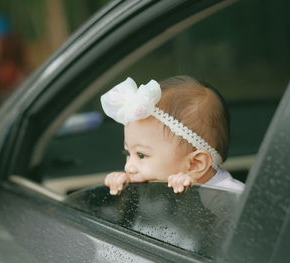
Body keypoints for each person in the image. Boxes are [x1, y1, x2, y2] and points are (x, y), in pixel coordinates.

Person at [100, 75, 244, 195]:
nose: (128, 167)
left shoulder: (232, 195)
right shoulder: (155, 184)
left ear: (195, 164)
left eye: (141, 155)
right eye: (127, 153)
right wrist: (123, 188)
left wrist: (189, 196)